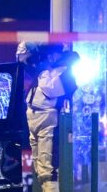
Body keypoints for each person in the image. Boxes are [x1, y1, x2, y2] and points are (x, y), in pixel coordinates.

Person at [16, 42, 79, 192]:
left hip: (48, 120)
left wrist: (42, 69)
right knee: (39, 164)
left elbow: (51, 90)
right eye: (47, 54)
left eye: (52, 53)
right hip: (34, 118)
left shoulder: (63, 70)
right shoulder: (47, 69)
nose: (50, 57)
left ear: (59, 54)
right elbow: (22, 57)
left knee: (47, 166)